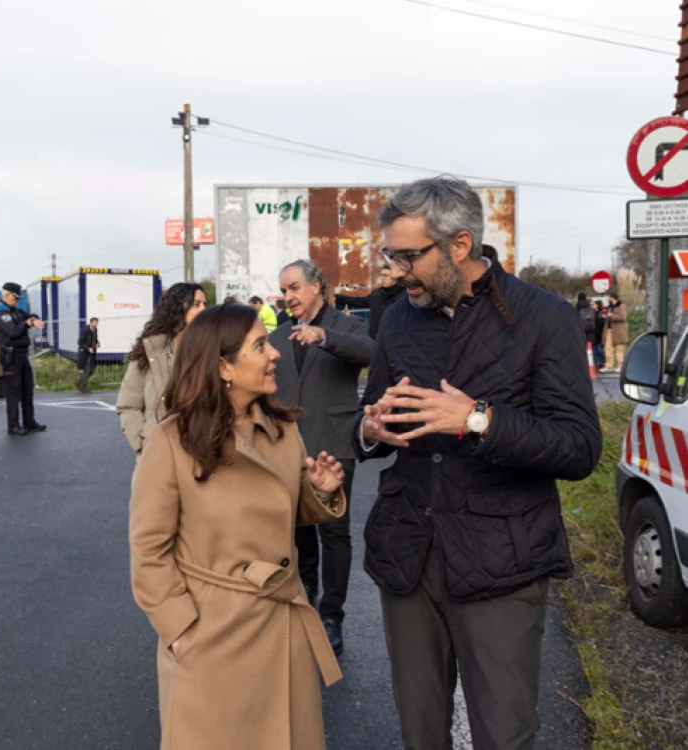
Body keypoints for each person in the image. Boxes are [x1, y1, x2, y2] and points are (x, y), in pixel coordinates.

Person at [354, 177, 602, 750]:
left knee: (503, 734)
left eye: (409, 255)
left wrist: (478, 419)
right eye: (391, 255)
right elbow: (374, 413)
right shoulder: (396, 319)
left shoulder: (544, 317)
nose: (398, 270)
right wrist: (369, 429)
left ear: (459, 246)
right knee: (420, 733)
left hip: (503, 560)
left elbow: (579, 447)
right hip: (409, 555)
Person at [129, 303, 347, 750]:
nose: (276, 355)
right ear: (223, 367)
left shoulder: (284, 429)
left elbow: (279, 512)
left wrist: (320, 492)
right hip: (212, 638)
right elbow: (149, 551)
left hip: (282, 629)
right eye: (261, 346)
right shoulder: (171, 442)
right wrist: (183, 631)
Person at [270, 259, 374, 656]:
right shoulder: (278, 336)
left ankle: (332, 615)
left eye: (294, 288)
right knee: (297, 528)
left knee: (334, 531)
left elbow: (369, 352)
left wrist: (323, 336)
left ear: (317, 286)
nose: (288, 297)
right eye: (283, 291)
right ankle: (306, 598)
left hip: (333, 444)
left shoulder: (346, 327)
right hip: (289, 447)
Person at [117, 283, 206, 454]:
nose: (203, 309)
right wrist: (144, 443)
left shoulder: (210, 349)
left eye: (204, 304)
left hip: (200, 453)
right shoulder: (150, 350)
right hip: (158, 455)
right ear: (177, 308)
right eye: (196, 304)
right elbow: (128, 405)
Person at [0, 282, 46, 436]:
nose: (16, 301)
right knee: (13, 391)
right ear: (7, 295)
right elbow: (13, 332)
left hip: (22, 354)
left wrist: (34, 320)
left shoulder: (16, 311)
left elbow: (29, 316)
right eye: (15, 298)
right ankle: (13, 425)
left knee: (27, 389)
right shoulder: (1, 312)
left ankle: (29, 421)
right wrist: (26, 324)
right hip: (11, 355)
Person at [335, 264, 407, 338]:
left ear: (394, 278)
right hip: (374, 340)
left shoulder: (404, 297)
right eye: (381, 275)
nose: (382, 278)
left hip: (394, 340)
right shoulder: (376, 295)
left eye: (385, 276)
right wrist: (336, 297)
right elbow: (358, 301)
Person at [604, 292, 629, 373]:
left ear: (612, 297)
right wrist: (606, 317)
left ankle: (620, 366)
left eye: (609, 297)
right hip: (609, 330)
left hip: (619, 331)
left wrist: (612, 316)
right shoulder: (610, 307)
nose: (608, 299)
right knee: (608, 348)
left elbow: (623, 317)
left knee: (619, 349)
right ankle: (609, 366)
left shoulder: (621, 305)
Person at [75, 317, 100, 393]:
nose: (96, 324)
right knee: (87, 369)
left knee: (91, 370)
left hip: (92, 352)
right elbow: (80, 342)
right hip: (85, 353)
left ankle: (79, 381)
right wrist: (88, 348)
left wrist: (97, 344)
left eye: (97, 323)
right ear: (91, 323)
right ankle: (83, 386)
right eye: (95, 323)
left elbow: (95, 339)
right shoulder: (85, 330)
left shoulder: (95, 330)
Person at [592, 300, 606, 369]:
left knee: (600, 350)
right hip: (594, 334)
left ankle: (602, 363)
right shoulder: (592, 312)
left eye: (594, 304)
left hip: (600, 334)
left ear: (597, 305)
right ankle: (596, 364)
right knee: (594, 351)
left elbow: (603, 322)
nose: (592, 305)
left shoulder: (602, 312)